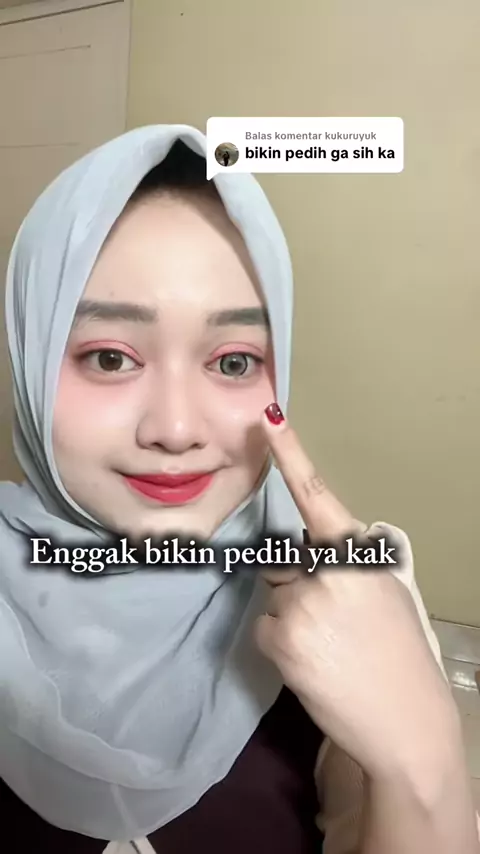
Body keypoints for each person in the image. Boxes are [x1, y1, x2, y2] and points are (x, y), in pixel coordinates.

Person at [0, 125, 478, 854]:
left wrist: (425, 761)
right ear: (31, 362)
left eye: (232, 363)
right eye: (110, 357)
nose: (176, 429)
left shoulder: (348, 598)